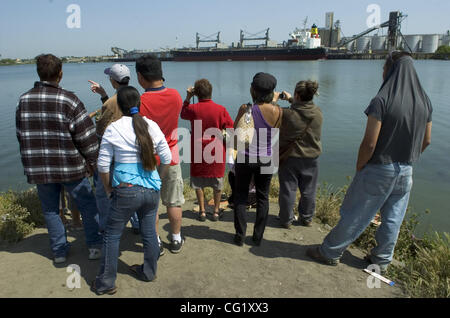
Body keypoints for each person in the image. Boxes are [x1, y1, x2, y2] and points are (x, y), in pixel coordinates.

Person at [307, 52, 433, 273]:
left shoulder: (382, 100)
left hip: (379, 169)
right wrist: (409, 157)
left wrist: (360, 166)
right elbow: (427, 140)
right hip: (406, 170)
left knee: (355, 212)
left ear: (391, 70)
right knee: (393, 217)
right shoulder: (425, 102)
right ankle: (381, 260)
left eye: (384, 68)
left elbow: (370, 143)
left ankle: (330, 252)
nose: (382, 73)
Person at [16, 54, 102, 264]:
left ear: (38, 73)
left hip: (40, 169)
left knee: (51, 209)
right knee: (88, 205)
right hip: (71, 166)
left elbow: (21, 134)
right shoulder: (69, 100)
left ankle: (59, 251)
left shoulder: (24, 100)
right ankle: (94, 246)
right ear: (60, 73)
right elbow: (86, 137)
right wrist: (92, 161)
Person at [92, 86, 171, 295]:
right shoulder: (151, 125)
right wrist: (158, 180)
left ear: (119, 105)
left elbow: (102, 165)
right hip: (151, 189)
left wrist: (108, 188)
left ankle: (106, 282)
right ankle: (149, 272)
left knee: (111, 234)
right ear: (139, 104)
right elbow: (168, 158)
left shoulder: (113, 128)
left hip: (125, 190)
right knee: (149, 232)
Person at [136, 54, 185, 254]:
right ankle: (175, 239)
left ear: (140, 77)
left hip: (148, 159)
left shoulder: (141, 101)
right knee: (173, 201)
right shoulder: (176, 96)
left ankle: (155, 241)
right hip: (171, 156)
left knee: (151, 205)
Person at [88, 64, 140, 234]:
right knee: (131, 186)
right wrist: (103, 95)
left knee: (104, 193)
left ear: (112, 80)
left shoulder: (111, 102)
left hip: (112, 154)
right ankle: (137, 223)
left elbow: (101, 130)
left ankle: (106, 226)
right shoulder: (135, 96)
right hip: (132, 151)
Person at [233, 72, 282, 247]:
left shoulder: (245, 109)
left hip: (245, 158)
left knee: (240, 196)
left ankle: (239, 236)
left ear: (253, 90)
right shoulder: (278, 111)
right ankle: (257, 237)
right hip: (266, 158)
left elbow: (235, 131)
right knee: (263, 197)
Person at [181, 79, 234, 222]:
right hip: (216, 149)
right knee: (217, 182)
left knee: (198, 182)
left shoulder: (193, 109)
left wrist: (187, 97)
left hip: (198, 149)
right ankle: (216, 212)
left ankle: (203, 212)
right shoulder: (221, 109)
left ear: (196, 94)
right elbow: (231, 128)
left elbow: (183, 113)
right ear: (211, 92)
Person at [277, 81, 323, 229]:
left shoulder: (287, 114)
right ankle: (307, 218)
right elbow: (303, 108)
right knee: (309, 189)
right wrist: (291, 99)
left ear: (297, 94)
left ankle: (286, 220)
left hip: (290, 157)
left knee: (288, 189)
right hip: (311, 158)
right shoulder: (318, 112)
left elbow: (272, 111)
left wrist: (275, 99)